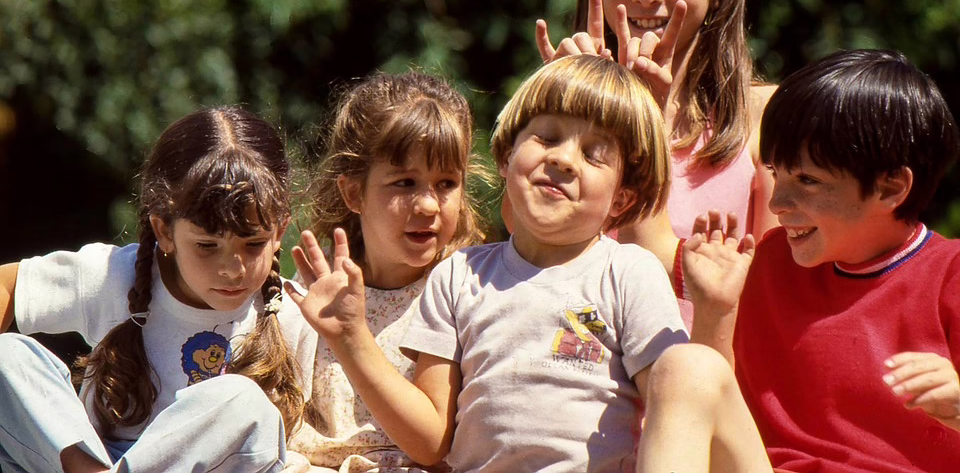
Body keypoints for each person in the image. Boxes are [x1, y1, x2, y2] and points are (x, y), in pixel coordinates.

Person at [288, 55, 689, 472]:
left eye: (593, 154)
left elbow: (688, 398)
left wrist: (717, 310)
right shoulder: (459, 277)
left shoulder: (629, 273)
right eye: (548, 138)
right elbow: (431, 439)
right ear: (507, 157)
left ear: (622, 198)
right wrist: (351, 335)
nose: (565, 159)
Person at [673, 49, 960, 472]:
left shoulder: (950, 274)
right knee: (683, 366)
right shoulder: (764, 264)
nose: (778, 202)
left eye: (807, 180)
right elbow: (711, 409)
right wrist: (715, 309)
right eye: (776, 173)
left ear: (890, 189)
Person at [0, 106, 318, 473]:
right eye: (207, 246)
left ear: (279, 232)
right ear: (165, 231)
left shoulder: (297, 314)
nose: (233, 269)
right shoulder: (112, 276)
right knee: (7, 355)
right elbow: (9, 285)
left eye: (253, 244)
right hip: (96, 460)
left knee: (243, 400)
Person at [534, 0, 778, 259]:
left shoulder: (768, 117)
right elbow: (527, 242)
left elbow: (776, 293)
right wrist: (558, 113)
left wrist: (638, 125)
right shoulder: (565, 103)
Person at [284, 71, 487, 472]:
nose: (428, 205)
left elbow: (430, 443)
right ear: (354, 193)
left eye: (446, 183)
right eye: (405, 182)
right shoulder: (317, 289)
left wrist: (351, 336)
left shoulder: (464, 291)